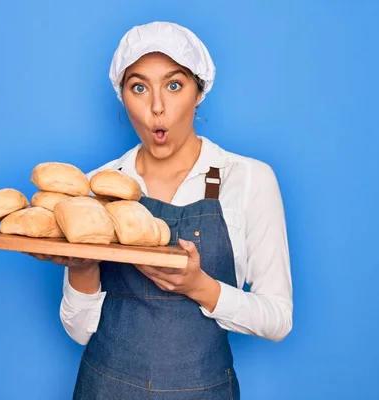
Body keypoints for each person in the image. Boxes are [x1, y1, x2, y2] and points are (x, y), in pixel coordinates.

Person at [30, 21, 293, 399]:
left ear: (199, 90)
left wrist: (200, 287)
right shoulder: (96, 187)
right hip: (105, 388)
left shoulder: (248, 179)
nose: (157, 107)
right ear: (122, 96)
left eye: (174, 85)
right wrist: (82, 267)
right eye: (139, 87)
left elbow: (278, 319)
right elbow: (79, 331)